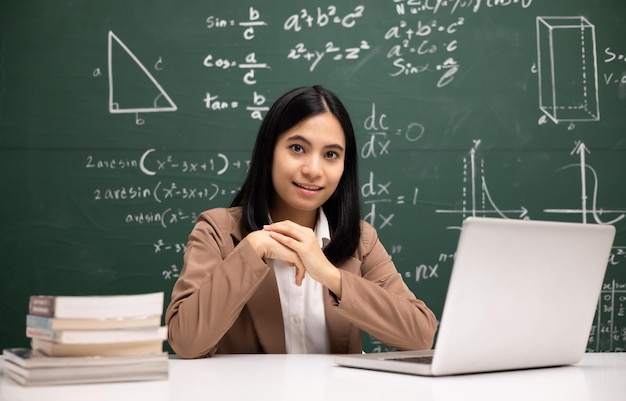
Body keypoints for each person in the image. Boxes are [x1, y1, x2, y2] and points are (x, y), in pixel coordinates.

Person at [165, 85, 437, 358]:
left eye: (331, 155)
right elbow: (186, 342)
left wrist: (330, 274)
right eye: (297, 148)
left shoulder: (360, 239)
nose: (313, 170)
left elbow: (420, 336)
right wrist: (253, 249)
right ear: (269, 153)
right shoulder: (217, 231)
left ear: (345, 166)